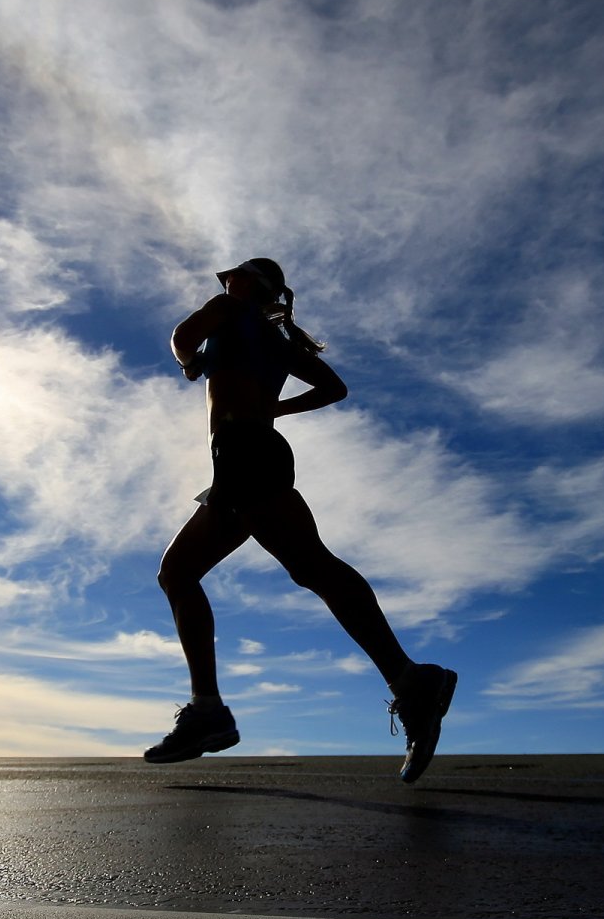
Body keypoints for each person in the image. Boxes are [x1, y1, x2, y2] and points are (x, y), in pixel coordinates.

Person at [147, 257, 459, 783]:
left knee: (308, 566)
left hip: (247, 453)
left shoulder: (229, 309)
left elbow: (181, 336)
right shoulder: (277, 341)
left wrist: (189, 360)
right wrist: (275, 411)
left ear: (256, 285)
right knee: (191, 572)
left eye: (235, 276)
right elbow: (334, 388)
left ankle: (410, 682)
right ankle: (211, 712)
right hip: (244, 457)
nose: (226, 283)